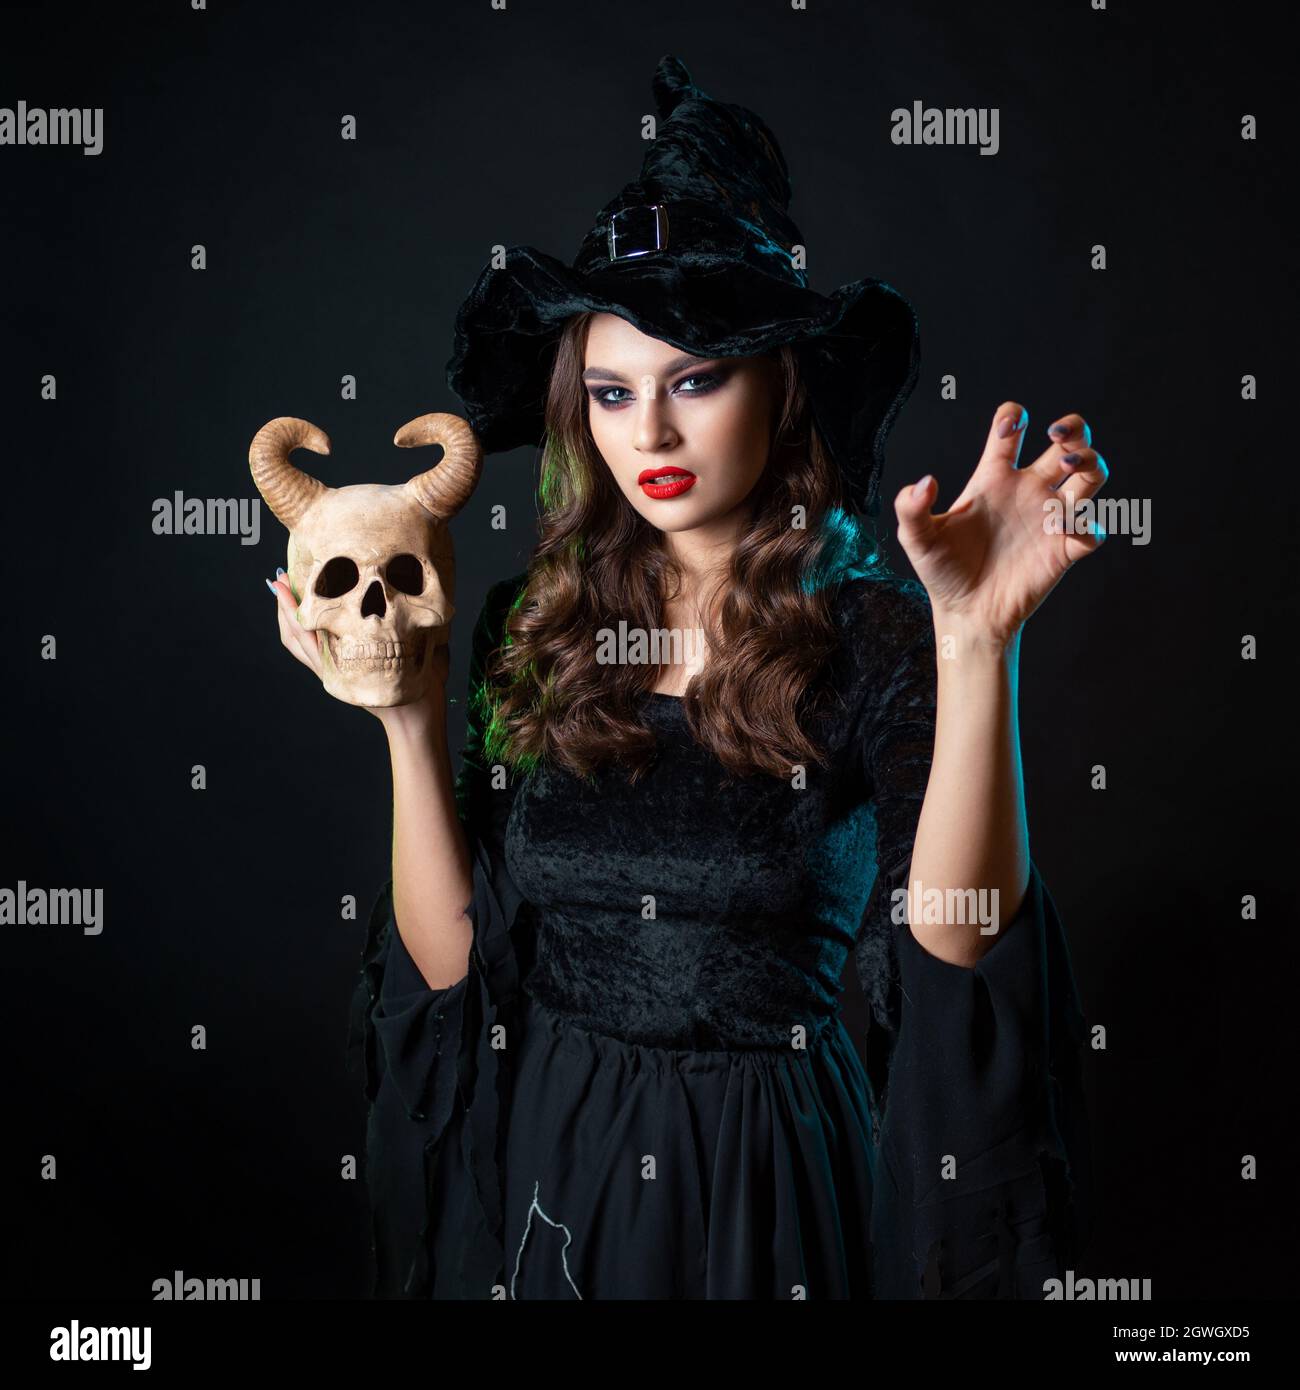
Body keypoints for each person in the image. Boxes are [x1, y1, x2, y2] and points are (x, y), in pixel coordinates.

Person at [269, 55, 1101, 1299]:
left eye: (695, 380)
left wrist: (977, 642)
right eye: (611, 391)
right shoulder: (529, 624)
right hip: (549, 1154)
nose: (647, 434)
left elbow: (957, 956)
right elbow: (455, 974)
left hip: (762, 1178)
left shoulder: (876, 636)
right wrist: (406, 719)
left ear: (783, 381)